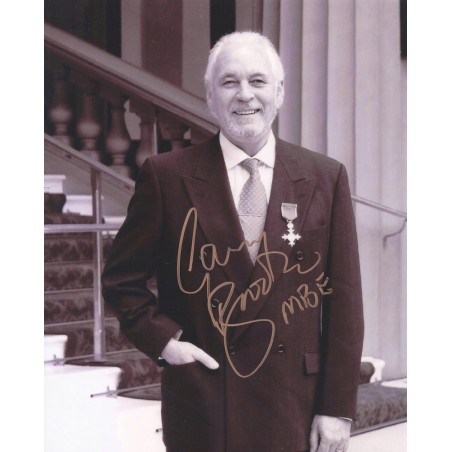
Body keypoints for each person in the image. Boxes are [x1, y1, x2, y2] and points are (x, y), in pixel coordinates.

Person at [102, 31, 364, 452]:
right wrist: (166, 343)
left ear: (279, 92)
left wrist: (337, 408)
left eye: (258, 81)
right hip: (204, 404)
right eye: (229, 82)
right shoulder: (166, 176)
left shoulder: (325, 177)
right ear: (210, 96)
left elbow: (344, 304)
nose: (245, 94)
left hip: (293, 406)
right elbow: (121, 281)